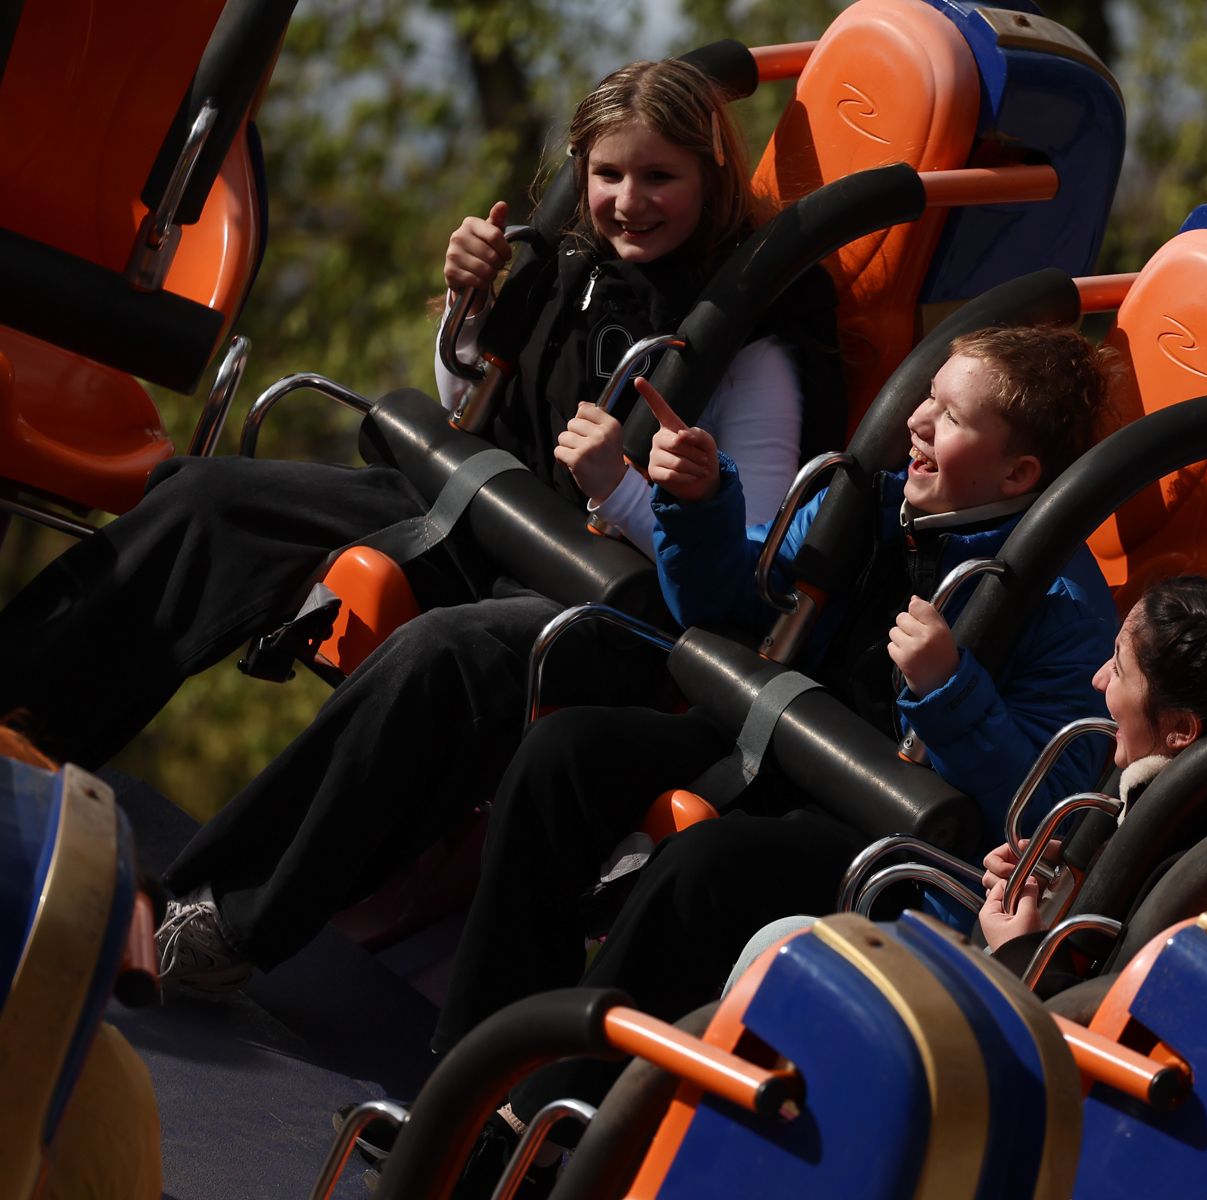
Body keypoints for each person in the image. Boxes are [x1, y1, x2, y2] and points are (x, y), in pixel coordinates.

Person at [0, 58, 833, 989]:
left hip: (615, 597)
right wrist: (469, 312)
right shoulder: (571, 268)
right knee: (208, 499)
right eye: (608, 174)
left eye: (659, 177)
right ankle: (19, 731)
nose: (628, 202)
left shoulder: (748, 347)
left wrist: (630, 491)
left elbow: (744, 568)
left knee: (440, 655)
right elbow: (473, 398)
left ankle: (214, 918)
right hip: (485, 511)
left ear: (711, 180)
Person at [420, 324, 1119, 1187]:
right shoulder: (863, 503)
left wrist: (949, 691)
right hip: (773, 741)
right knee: (564, 752)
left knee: (707, 869)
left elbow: (1041, 811)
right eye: (926, 399)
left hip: (887, 828)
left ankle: (541, 1134)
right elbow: (729, 603)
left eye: (951, 417)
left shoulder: (1060, 606)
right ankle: (468, 1077)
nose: (918, 421)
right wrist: (700, 502)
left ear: (1018, 475)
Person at [975, 573, 1207, 959]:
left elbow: (1120, 995)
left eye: (1118, 668)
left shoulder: (1200, 877)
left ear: (1180, 729)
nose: (1098, 679)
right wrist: (1091, 869)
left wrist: (1019, 951)